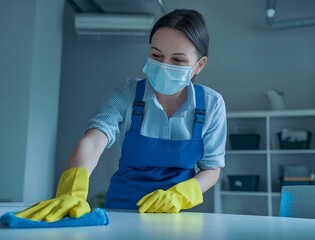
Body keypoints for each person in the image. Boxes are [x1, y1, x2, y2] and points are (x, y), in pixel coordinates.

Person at [16, 9, 226, 222]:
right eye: (156, 55)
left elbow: (211, 169)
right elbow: (93, 140)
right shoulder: (127, 94)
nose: (164, 65)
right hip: (122, 212)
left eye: (178, 60)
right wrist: (71, 189)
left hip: (178, 215)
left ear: (199, 65)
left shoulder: (211, 104)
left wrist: (179, 196)